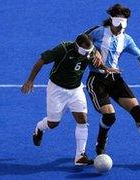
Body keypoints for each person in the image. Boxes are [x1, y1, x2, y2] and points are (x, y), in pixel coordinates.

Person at [85, 3, 140, 163]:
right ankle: (100, 145)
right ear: (111, 21)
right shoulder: (97, 31)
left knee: (139, 112)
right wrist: (92, 51)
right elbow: (80, 42)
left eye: (123, 26)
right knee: (110, 117)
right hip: (97, 80)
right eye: (118, 25)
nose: (119, 29)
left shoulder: (126, 39)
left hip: (115, 79)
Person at [21, 34, 117, 166]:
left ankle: (80, 157)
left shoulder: (90, 51)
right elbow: (41, 61)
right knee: (53, 123)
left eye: (88, 52)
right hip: (57, 90)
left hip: (76, 90)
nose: (86, 54)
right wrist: (30, 80)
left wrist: (105, 68)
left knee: (82, 120)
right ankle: (39, 128)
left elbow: (95, 61)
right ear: (76, 45)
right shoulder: (63, 49)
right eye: (83, 51)